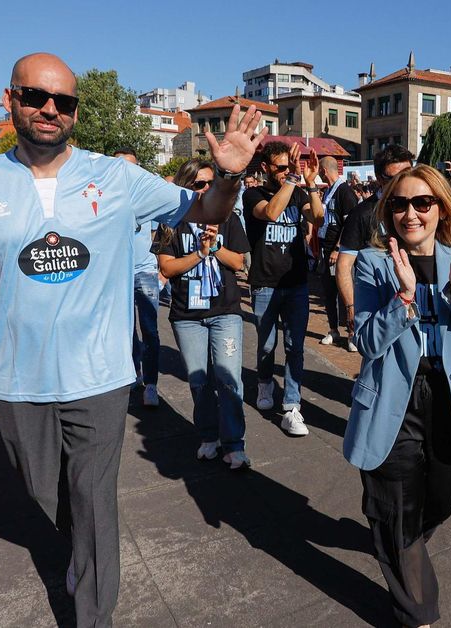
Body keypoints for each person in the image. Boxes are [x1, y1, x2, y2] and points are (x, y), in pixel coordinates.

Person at [0, 52, 263, 627]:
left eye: (62, 102)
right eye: (36, 96)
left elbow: (202, 211)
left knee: (93, 503)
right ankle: (83, 558)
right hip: (19, 381)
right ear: (10, 98)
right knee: (46, 496)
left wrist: (233, 176)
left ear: (75, 112)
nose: (49, 110)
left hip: (100, 377)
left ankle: (93, 609)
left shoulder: (115, 176)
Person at [347, 164, 451, 627]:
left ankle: (399, 540)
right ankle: (419, 612)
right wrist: (404, 298)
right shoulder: (373, 263)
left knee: (443, 498)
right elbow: (367, 342)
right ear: (388, 212)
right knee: (399, 512)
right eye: (399, 204)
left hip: (448, 399)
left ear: (440, 208)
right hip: (396, 398)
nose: (410, 213)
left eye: (421, 203)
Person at [153, 159, 252, 470]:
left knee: (229, 378)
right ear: (185, 186)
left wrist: (215, 246)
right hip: (186, 316)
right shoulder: (170, 221)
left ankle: (234, 444)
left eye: (211, 183)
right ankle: (209, 436)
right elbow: (166, 268)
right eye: (199, 184)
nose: (207, 189)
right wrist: (199, 254)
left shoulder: (227, 218)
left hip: (225, 312)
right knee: (199, 381)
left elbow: (239, 263)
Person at [242, 141, 325, 436]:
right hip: (265, 283)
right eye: (281, 167)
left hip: (296, 283)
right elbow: (272, 212)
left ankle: (292, 406)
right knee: (266, 345)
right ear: (265, 168)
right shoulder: (253, 194)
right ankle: (264, 384)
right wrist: (292, 178)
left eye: (290, 167)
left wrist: (311, 183)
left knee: (295, 346)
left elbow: (318, 217)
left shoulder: (299, 191)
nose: (287, 171)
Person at [335, 144, 416, 354]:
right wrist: (352, 309)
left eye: (407, 174)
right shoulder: (362, 214)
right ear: (379, 178)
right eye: (393, 178)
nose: (402, 183)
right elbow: (344, 266)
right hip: (379, 310)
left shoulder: (423, 206)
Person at [113, 148, 163, 407]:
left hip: (144, 271)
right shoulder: (107, 198)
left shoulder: (147, 197)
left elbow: (159, 234)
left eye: (131, 166)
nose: (127, 172)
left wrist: (161, 270)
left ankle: (151, 384)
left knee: (150, 330)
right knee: (125, 330)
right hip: (118, 274)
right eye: (121, 166)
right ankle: (135, 372)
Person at [316, 156, 359, 347]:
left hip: (341, 253)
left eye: (318, 170)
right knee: (329, 292)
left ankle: (352, 333)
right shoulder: (327, 192)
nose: (317, 173)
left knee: (346, 294)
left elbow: (350, 224)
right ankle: (333, 330)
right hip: (325, 249)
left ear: (324, 170)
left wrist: (337, 248)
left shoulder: (345, 191)